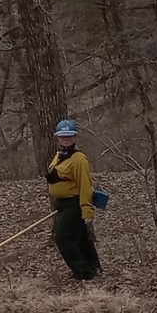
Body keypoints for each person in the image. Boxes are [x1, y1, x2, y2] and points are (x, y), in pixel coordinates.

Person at [45, 119, 101, 281]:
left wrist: (87, 210)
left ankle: (82, 272)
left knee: (63, 239)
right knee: (81, 238)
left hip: (73, 204)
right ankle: (93, 267)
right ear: (57, 137)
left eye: (69, 136)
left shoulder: (79, 159)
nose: (65, 139)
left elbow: (85, 186)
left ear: (75, 137)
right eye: (62, 136)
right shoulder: (60, 155)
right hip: (62, 204)